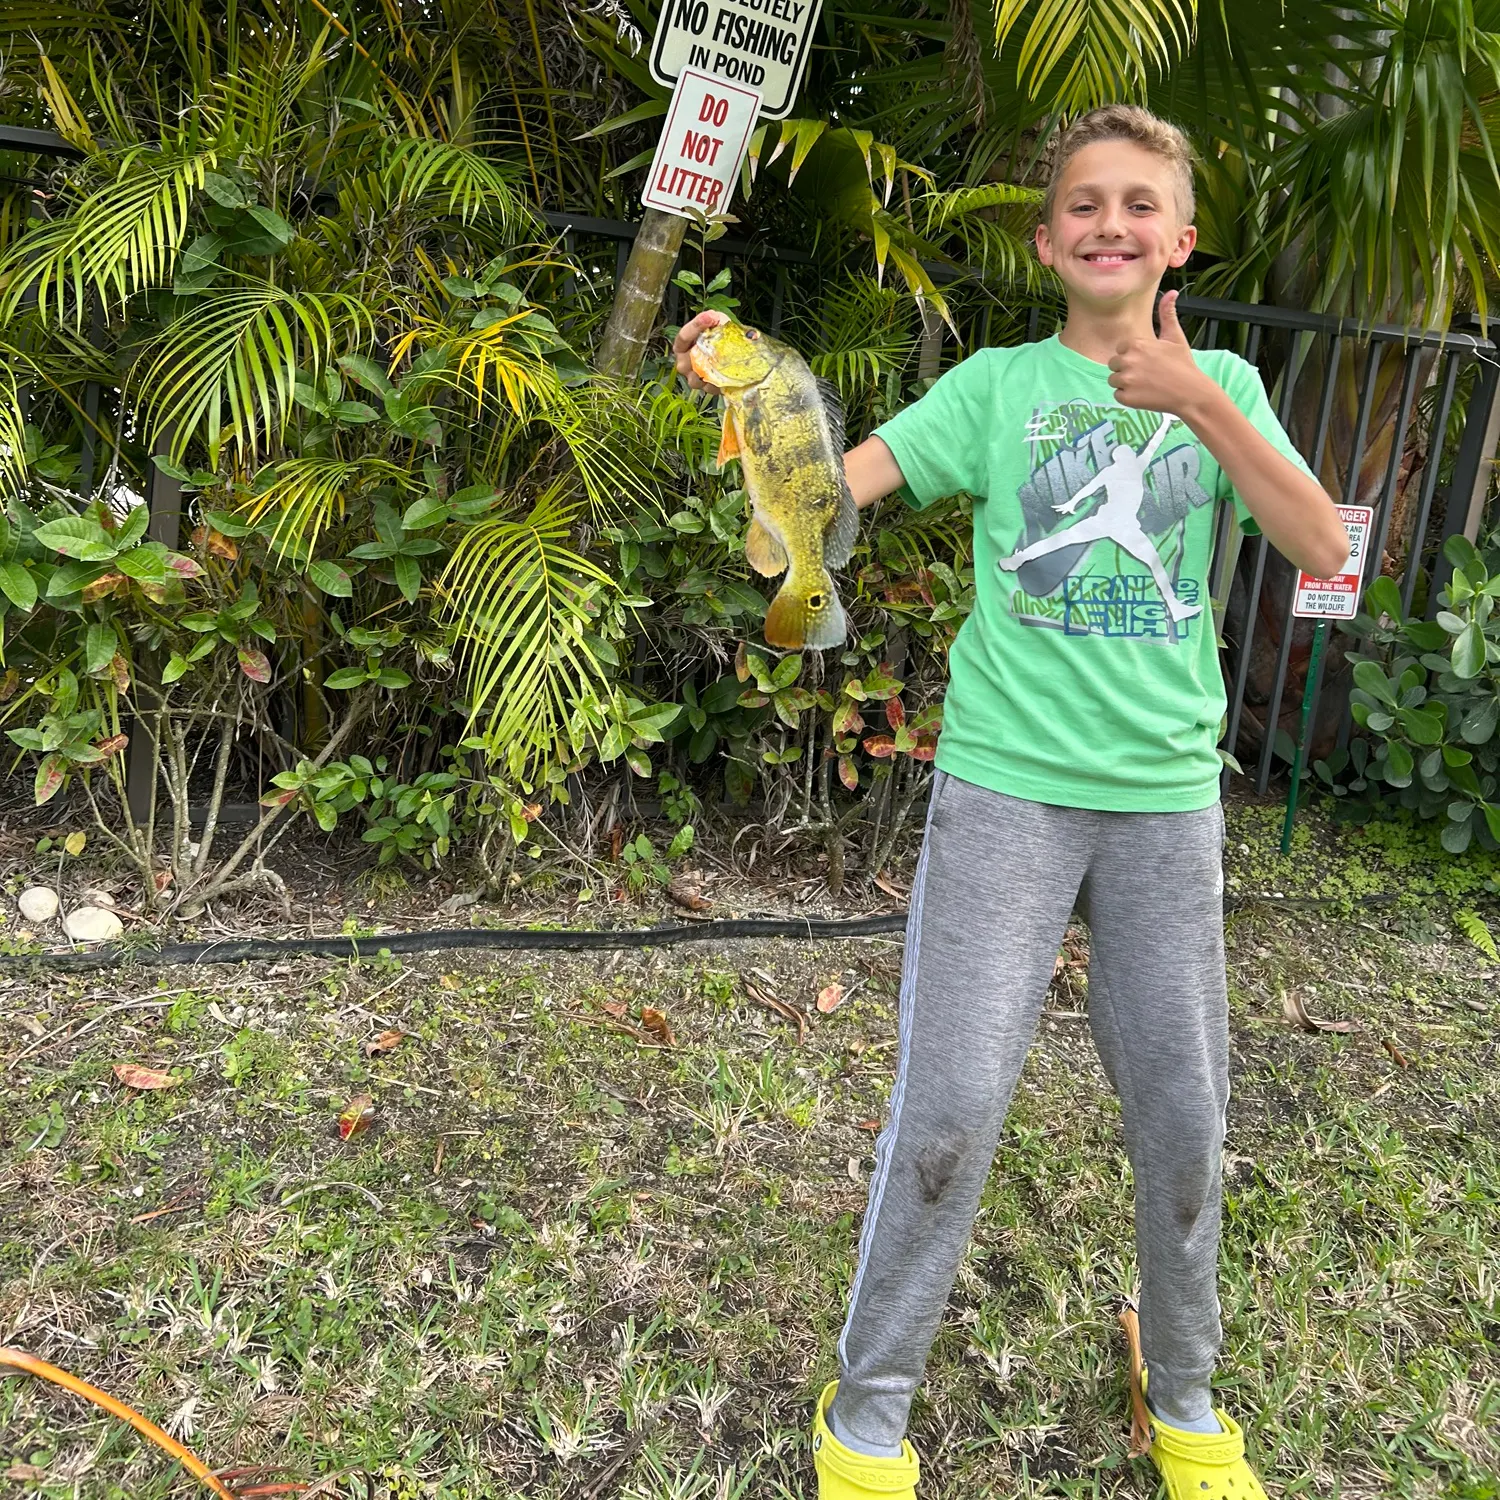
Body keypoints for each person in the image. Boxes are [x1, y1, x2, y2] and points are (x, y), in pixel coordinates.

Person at [674, 104, 1350, 1500]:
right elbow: (828, 510)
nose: (1111, 222)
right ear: (1048, 242)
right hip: (1004, 800)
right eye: (1084, 203)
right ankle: (866, 1420)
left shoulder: (1223, 380)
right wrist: (754, 428)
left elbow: (1324, 545)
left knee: (1183, 1119)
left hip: (1165, 808)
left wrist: (1205, 408)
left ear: (1181, 238)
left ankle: (1191, 1396)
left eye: (1138, 203)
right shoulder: (992, 388)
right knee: (950, 1111)